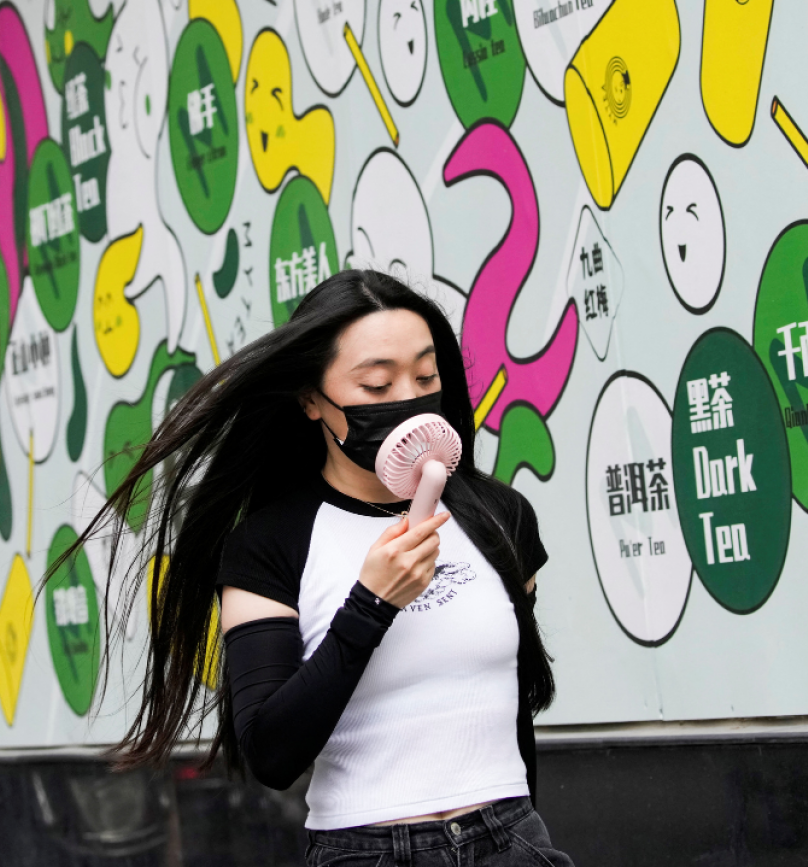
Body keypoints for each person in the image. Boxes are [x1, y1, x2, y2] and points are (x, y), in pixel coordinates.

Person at [60, 270, 573, 866]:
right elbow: (272, 753)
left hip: (508, 836)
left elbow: (515, 705)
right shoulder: (269, 544)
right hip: (369, 849)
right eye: (377, 385)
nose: (407, 398)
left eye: (425, 376)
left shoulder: (499, 515)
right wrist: (371, 606)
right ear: (311, 399)